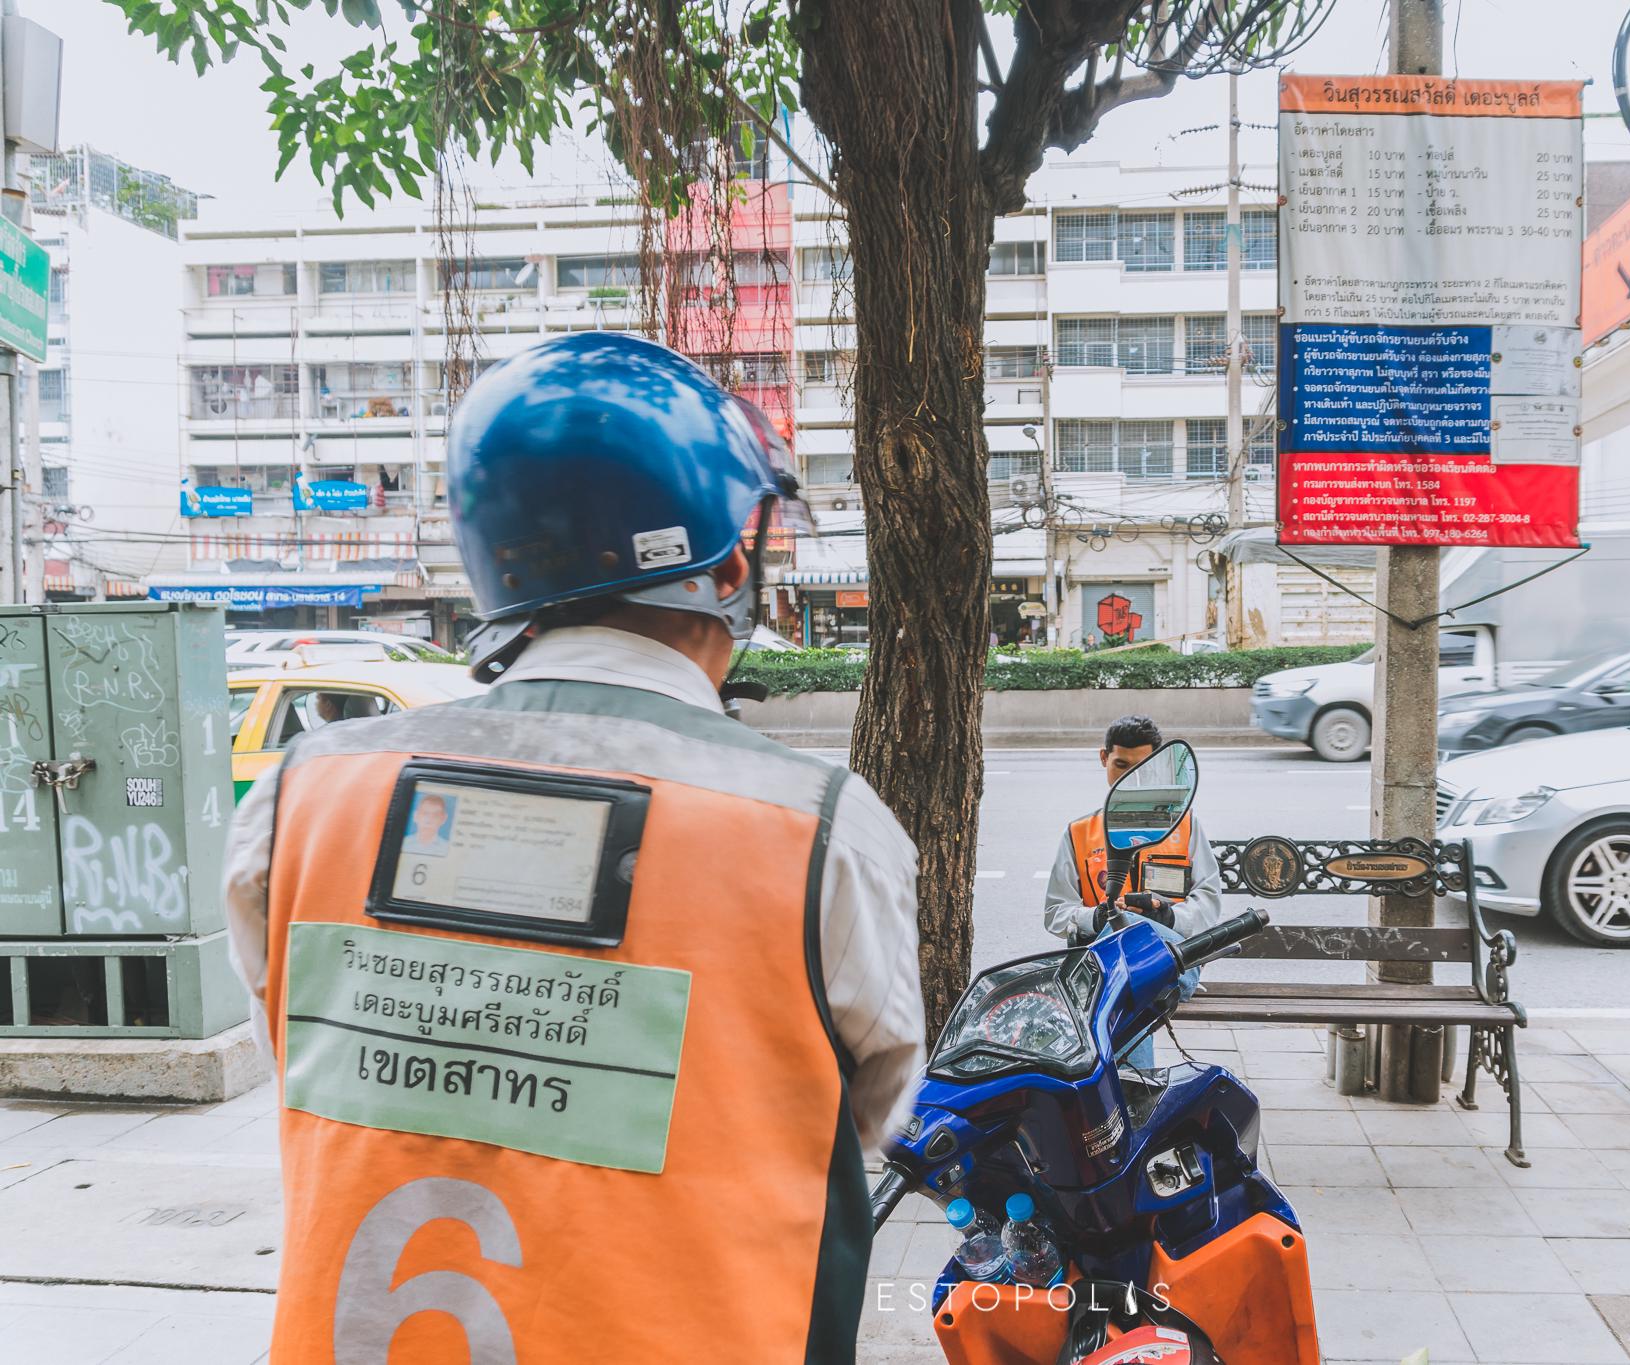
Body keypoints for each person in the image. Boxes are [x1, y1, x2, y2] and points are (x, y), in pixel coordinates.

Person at [221, 332, 923, 1362]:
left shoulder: (302, 795)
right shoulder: (818, 826)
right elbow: (864, 1118)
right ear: (729, 561)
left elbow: (304, 1054)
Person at [1044, 715, 1225, 1070]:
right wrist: (1097, 915)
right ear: (1103, 759)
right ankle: (1137, 1088)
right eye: (1121, 765)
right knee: (1126, 969)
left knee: (1125, 957)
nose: (1129, 777)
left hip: (1171, 963)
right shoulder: (1080, 832)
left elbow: (1208, 901)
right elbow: (1055, 914)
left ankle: (1128, 1090)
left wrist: (1167, 915)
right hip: (1109, 967)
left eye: (1142, 768)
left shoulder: (1184, 826)